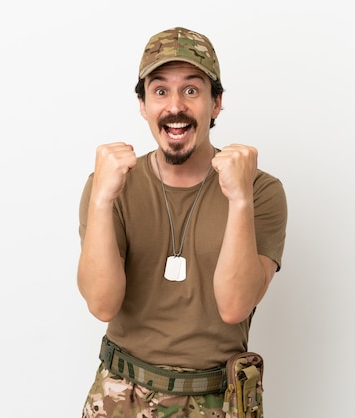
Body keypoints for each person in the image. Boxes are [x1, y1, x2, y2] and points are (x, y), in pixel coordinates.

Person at [77, 26, 288, 417]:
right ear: (143, 105)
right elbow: (102, 304)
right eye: (160, 91)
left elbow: (235, 306)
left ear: (216, 103)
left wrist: (238, 199)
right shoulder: (109, 185)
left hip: (217, 401)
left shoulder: (260, 190)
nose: (175, 106)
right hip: (121, 396)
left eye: (191, 90)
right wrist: (103, 199)